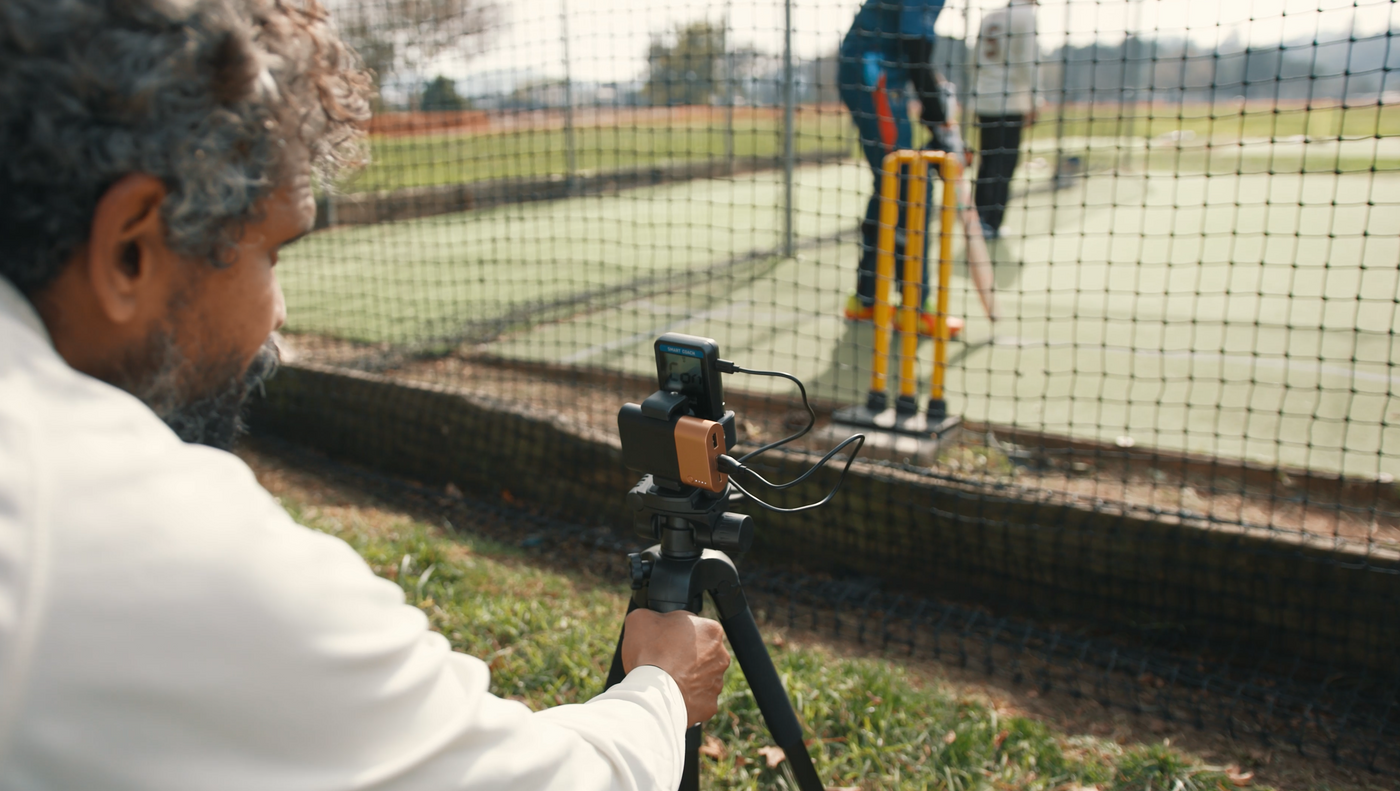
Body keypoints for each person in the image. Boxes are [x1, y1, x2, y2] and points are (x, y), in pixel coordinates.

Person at [0, 1, 729, 788]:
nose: (278, 315)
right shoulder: (151, 536)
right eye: (273, 252)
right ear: (131, 248)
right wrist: (660, 686)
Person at [838, 0, 966, 339]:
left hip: (881, 71)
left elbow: (916, 52)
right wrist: (938, 120)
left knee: (891, 187)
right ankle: (913, 308)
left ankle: (866, 298)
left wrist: (937, 113)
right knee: (909, 181)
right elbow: (915, 47)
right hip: (873, 72)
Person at [972, 0, 1039, 240]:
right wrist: (1035, 100)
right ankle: (992, 223)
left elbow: (974, 59)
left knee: (987, 162)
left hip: (985, 99)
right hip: (1009, 101)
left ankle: (978, 221)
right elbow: (1027, 63)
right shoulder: (1025, 15)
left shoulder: (991, 16)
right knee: (1003, 165)